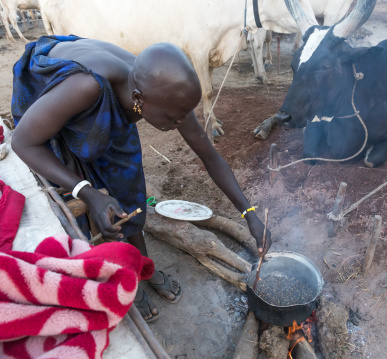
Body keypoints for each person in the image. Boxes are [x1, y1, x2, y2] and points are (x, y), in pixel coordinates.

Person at [10, 35, 272, 322]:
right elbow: (23, 143)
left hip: (109, 102)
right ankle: (119, 273)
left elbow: (210, 156)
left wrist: (250, 214)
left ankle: (142, 265)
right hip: (49, 109)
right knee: (84, 196)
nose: (180, 124)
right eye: (174, 118)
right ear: (138, 100)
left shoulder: (160, 93)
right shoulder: (85, 87)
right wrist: (87, 191)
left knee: (129, 185)